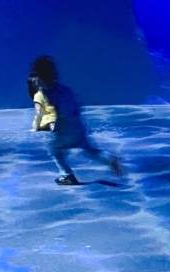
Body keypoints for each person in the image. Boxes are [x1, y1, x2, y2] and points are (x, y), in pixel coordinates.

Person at [27, 56, 124, 185]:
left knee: (55, 150)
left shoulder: (47, 95)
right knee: (90, 150)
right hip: (77, 127)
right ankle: (109, 159)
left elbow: (54, 115)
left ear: (40, 77)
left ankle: (67, 174)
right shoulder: (65, 90)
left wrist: (49, 127)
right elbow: (77, 106)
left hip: (64, 131)